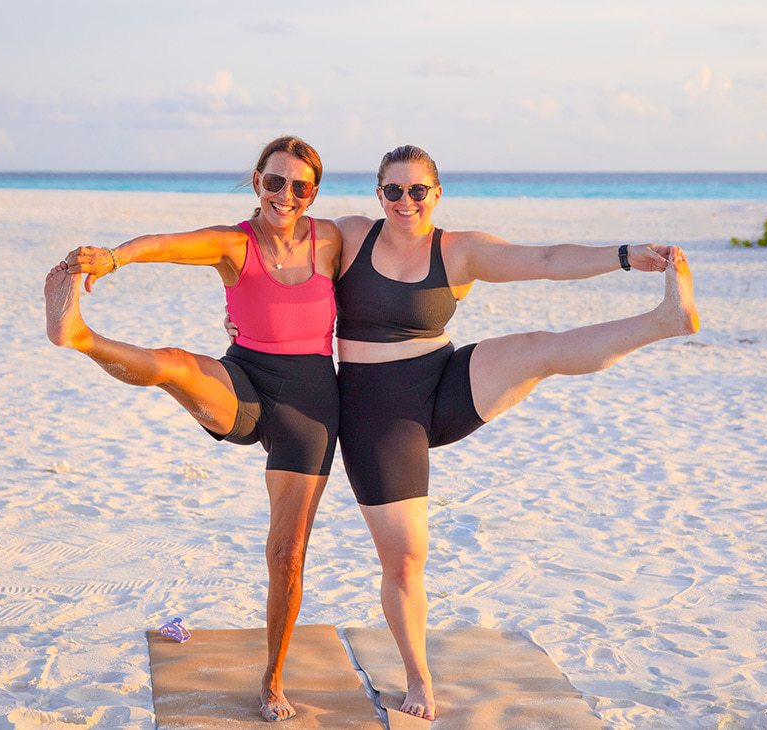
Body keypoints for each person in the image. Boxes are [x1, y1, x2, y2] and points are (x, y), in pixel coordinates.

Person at [229, 144, 700, 720]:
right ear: (379, 195)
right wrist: (241, 318)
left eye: (417, 191)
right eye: (394, 191)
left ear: (437, 193)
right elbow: (276, 251)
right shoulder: (350, 235)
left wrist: (625, 255)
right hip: (378, 413)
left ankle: (663, 320)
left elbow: (548, 259)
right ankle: (419, 678)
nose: (406, 202)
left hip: (444, 378)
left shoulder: (460, 250)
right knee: (404, 561)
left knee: (539, 350)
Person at [44, 136, 341, 723]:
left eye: (299, 185)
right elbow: (168, 245)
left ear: (314, 192)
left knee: (287, 554)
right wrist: (113, 258)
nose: (286, 194)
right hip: (246, 384)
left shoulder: (332, 238)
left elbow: (400, 243)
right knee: (176, 364)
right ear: (256, 181)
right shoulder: (235, 243)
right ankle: (79, 336)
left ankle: (273, 680)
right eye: (275, 181)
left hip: (313, 407)